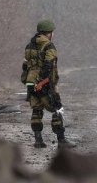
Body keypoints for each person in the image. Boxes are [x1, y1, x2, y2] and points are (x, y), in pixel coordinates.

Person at [21, 19, 73, 149]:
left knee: (36, 109)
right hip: (44, 82)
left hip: (30, 81)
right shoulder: (49, 46)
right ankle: (61, 140)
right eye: (52, 32)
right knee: (57, 108)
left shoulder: (29, 45)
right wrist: (44, 82)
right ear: (49, 33)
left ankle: (38, 140)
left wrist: (31, 81)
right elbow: (49, 65)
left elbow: (25, 65)